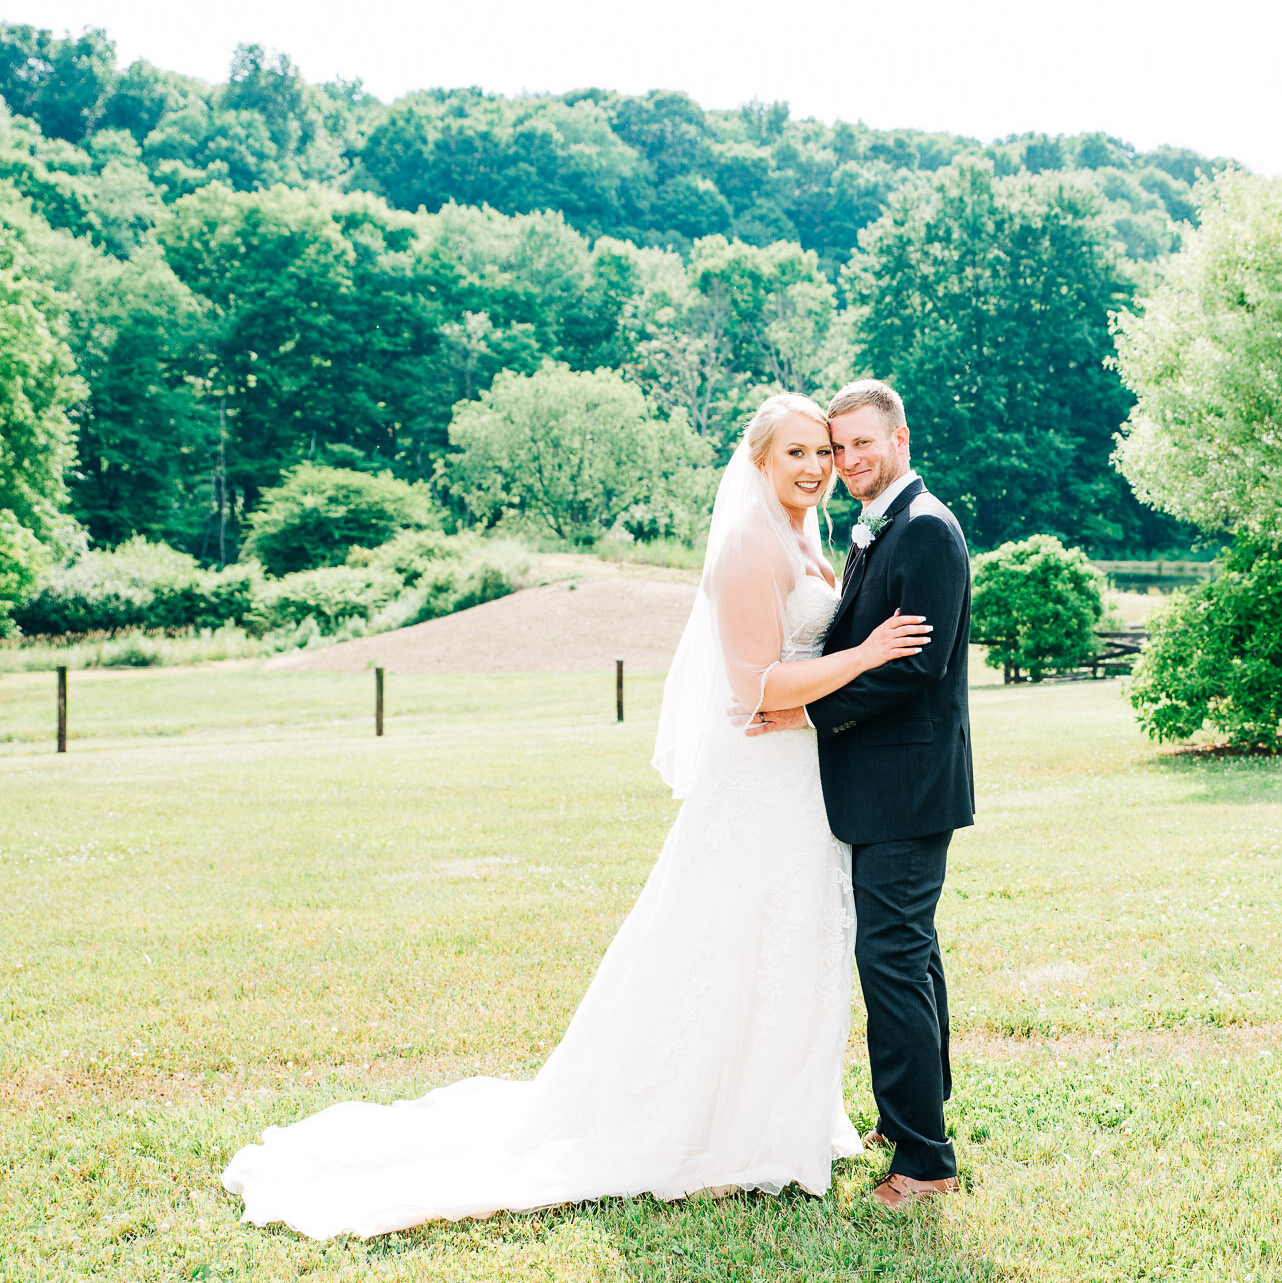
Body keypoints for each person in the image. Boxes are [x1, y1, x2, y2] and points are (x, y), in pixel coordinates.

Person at [220, 393, 931, 1240]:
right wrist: (862, 655)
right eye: (797, 455)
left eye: (824, 451)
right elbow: (753, 688)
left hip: (799, 785)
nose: (816, 467)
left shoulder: (805, 534)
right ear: (758, 462)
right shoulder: (747, 542)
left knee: (784, 944)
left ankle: (773, 1120)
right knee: (726, 943)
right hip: (758, 783)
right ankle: (710, 1130)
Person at [746, 378, 974, 1208]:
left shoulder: (927, 531)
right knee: (912, 954)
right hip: (884, 787)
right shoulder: (878, 530)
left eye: (862, 443)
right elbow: (859, 642)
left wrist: (807, 711)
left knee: (890, 959)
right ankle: (915, 1114)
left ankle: (924, 1161)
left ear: (900, 437)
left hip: (909, 785)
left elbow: (918, 666)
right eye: (838, 447)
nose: (847, 460)